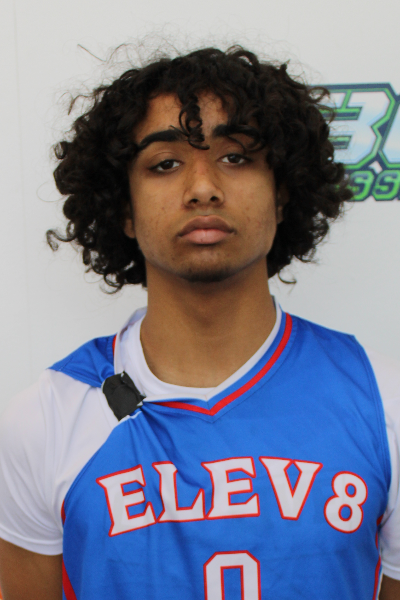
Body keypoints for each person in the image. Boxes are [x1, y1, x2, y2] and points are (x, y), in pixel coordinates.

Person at [0, 46, 399, 600]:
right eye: (165, 163)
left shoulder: (384, 401)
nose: (203, 187)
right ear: (124, 209)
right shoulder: (47, 416)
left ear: (282, 195)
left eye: (236, 157)